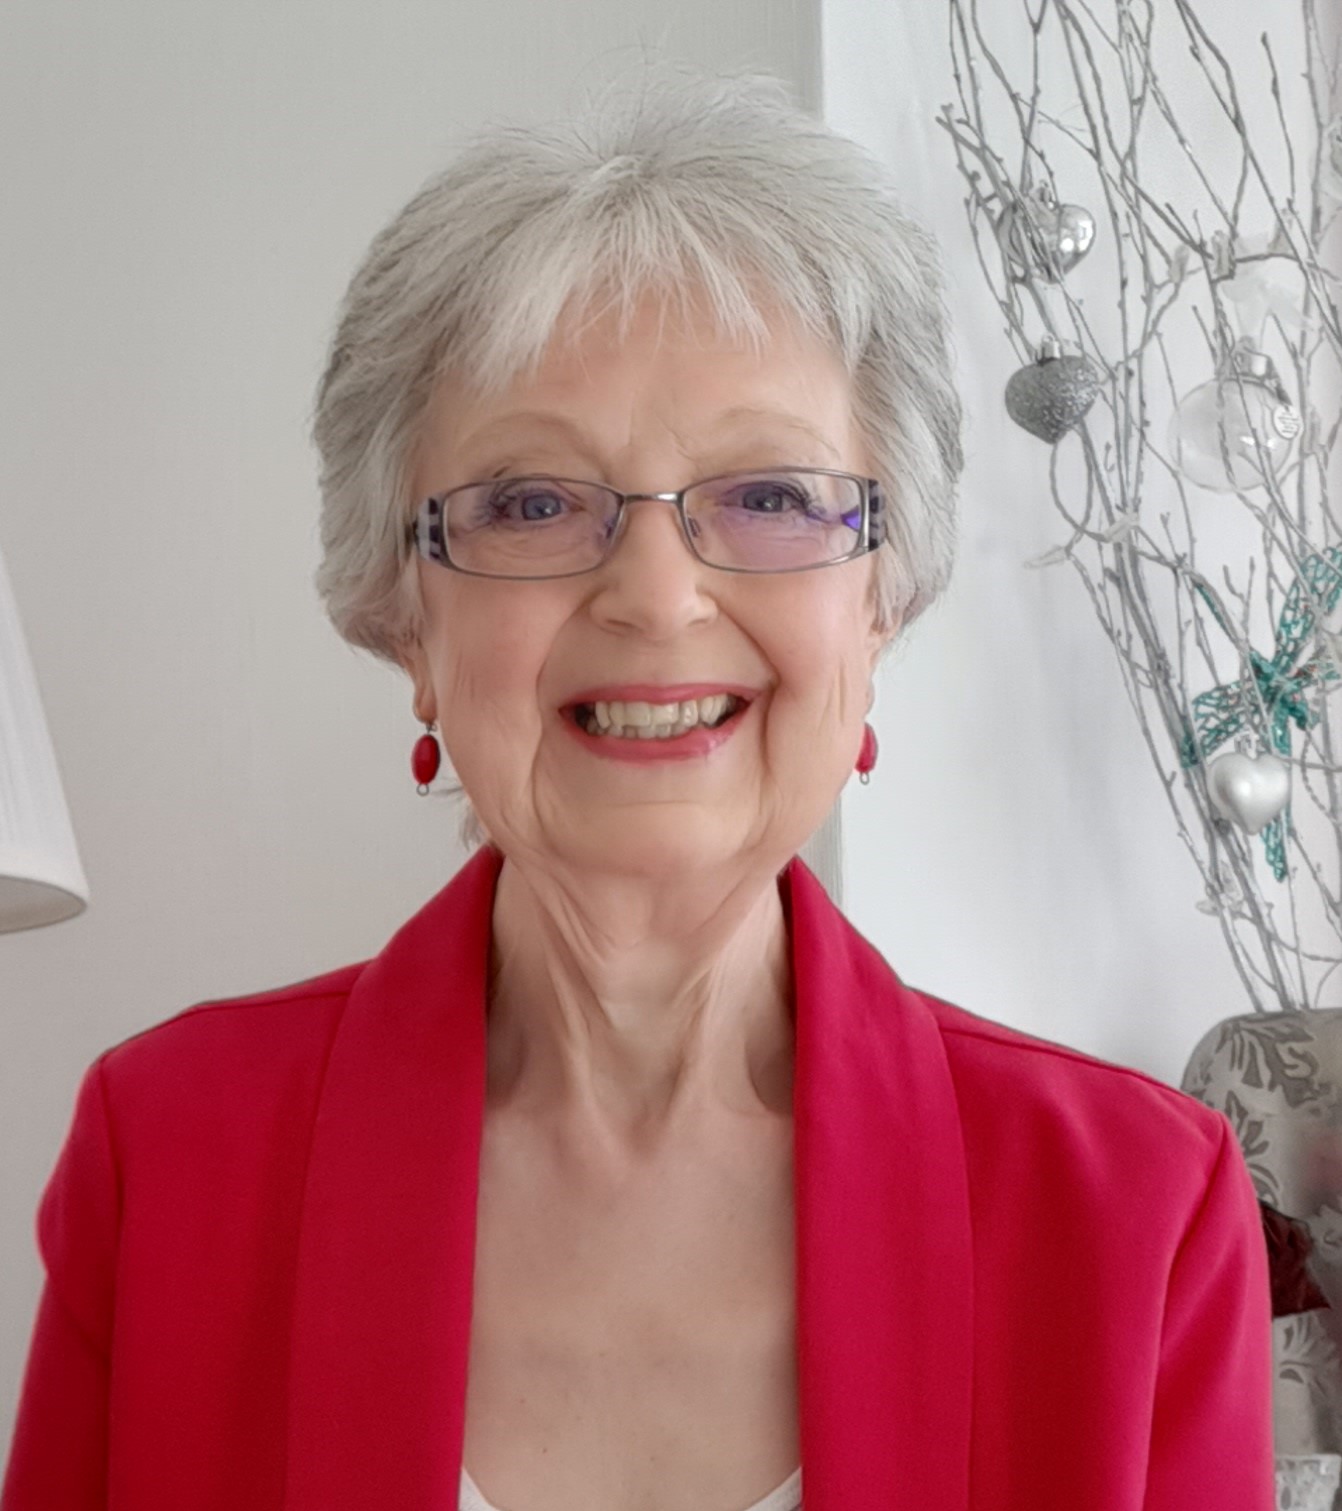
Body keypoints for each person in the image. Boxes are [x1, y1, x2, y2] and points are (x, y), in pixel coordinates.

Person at [2, 60, 1274, 1511]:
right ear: (404, 621)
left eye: (772, 497)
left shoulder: (1132, 1209)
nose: (656, 596)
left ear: (880, 605)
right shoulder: (167, 1164)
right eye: (532, 503)